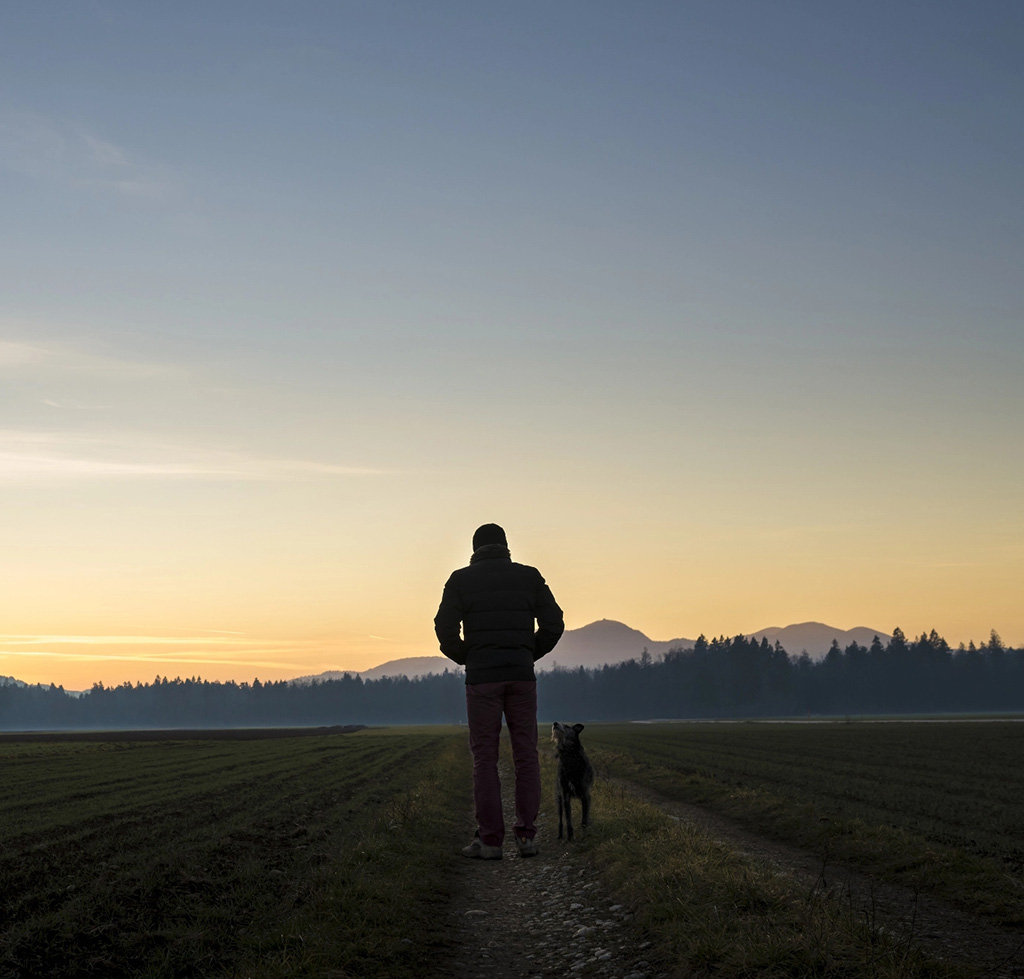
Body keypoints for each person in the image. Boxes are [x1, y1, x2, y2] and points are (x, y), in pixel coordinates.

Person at [434, 523, 564, 859]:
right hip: (521, 678)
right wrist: (527, 653)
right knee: (526, 756)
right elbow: (555, 623)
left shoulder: (460, 580)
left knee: (485, 759)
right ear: (506, 546)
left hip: (482, 680)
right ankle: (526, 837)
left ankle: (491, 842)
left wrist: (469, 658)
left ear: (475, 549)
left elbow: (444, 628)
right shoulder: (529, 576)